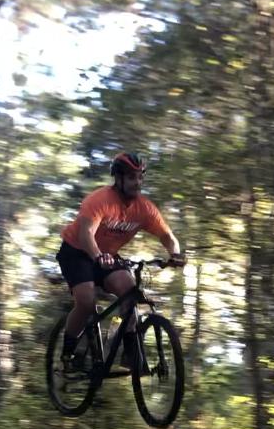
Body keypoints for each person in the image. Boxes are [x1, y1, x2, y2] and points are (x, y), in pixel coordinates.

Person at [57, 152, 185, 372]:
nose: (138, 183)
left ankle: (130, 352)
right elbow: (86, 234)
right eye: (132, 177)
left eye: (140, 177)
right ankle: (68, 353)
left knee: (130, 291)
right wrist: (98, 256)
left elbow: (167, 236)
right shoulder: (99, 200)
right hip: (77, 251)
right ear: (118, 178)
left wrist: (176, 254)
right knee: (86, 302)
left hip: (106, 255)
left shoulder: (145, 209)